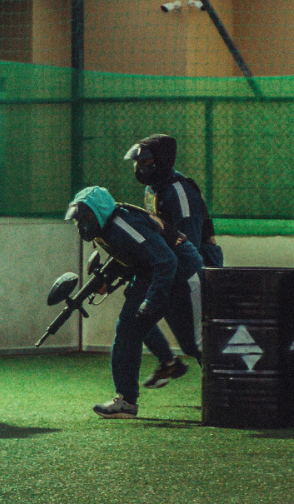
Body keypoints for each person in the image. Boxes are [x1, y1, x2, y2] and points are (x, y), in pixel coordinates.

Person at [64, 185, 203, 419]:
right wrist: (108, 281)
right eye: (79, 220)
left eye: (85, 217)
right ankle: (126, 401)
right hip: (152, 274)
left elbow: (166, 261)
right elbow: (133, 256)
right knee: (128, 328)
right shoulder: (106, 229)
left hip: (182, 274)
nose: (82, 224)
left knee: (194, 343)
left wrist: (152, 301)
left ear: (99, 212)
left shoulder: (122, 225)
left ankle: (228, 392)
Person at [124, 134, 223, 389]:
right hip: (168, 266)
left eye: (144, 162)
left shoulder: (180, 192)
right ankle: (169, 363)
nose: (139, 168)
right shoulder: (154, 189)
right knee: (135, 316)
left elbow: (188, 245)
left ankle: (223, 389)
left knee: (196, 342)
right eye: (137, 162)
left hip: (195, 269)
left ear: (162, 161)